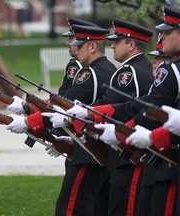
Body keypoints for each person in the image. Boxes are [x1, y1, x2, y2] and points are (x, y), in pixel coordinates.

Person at [63, 8, 180, 215]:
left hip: (141, 154)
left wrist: (120, 132)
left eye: (167, 32)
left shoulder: (144, 71)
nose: (161, 37)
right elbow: (140, 105)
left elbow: (147, 109)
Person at [45, 20, 154, 216]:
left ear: (130, 45)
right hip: (116, 148)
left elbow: (116, 105)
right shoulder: (135, 68)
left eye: (118, 41)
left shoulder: (129, 72)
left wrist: (74, 118)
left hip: (126, 151)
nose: (112, 45)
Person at [7, 23, 116, 215]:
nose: (73, 46)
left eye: (78, 43)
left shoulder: (89, 72)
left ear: (92, 47)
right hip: (102, 149)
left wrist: (26, 120)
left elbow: (61, 108)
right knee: (99, 207)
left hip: (87, 150)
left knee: (71, 207)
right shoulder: (109, 69)